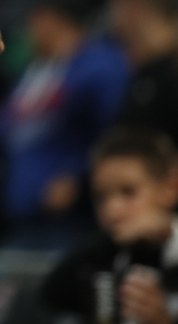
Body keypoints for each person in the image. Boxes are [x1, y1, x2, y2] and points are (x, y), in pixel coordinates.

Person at [0, 0, 130, 249]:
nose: (27, 30)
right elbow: (4, 125)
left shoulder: (101, 64)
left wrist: (77, 174)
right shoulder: (34, 70)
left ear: (52, 20)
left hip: (70, 218)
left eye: (33, 20)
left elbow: (114, 131)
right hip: (22, 214)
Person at [41, 125, 178, 324]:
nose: (113, 209)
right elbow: (52, 294)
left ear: (171, 187)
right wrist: (109, 242)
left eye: (128, 192)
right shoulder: (102, 256)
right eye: (101, 196)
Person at [110, 0, 178, 148]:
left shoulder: (170, 69)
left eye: (118, 6)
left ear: (135, 6)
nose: (113, 18)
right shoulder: (141, 70)